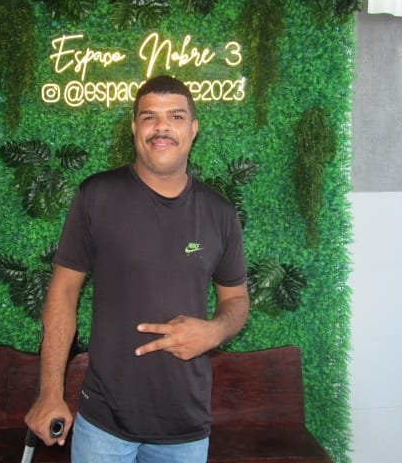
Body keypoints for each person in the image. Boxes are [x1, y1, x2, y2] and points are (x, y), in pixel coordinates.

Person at [25, 75, 250, 463]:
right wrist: (49, 392)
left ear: (193, 129)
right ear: (134, 128)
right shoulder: (96, 196)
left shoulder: (220, 212)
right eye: (149, 117)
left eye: (176, 116)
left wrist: (213, 331)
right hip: (102, 425)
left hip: (185, 428)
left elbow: (237, 300)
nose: (162, 127)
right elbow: (63, 292)